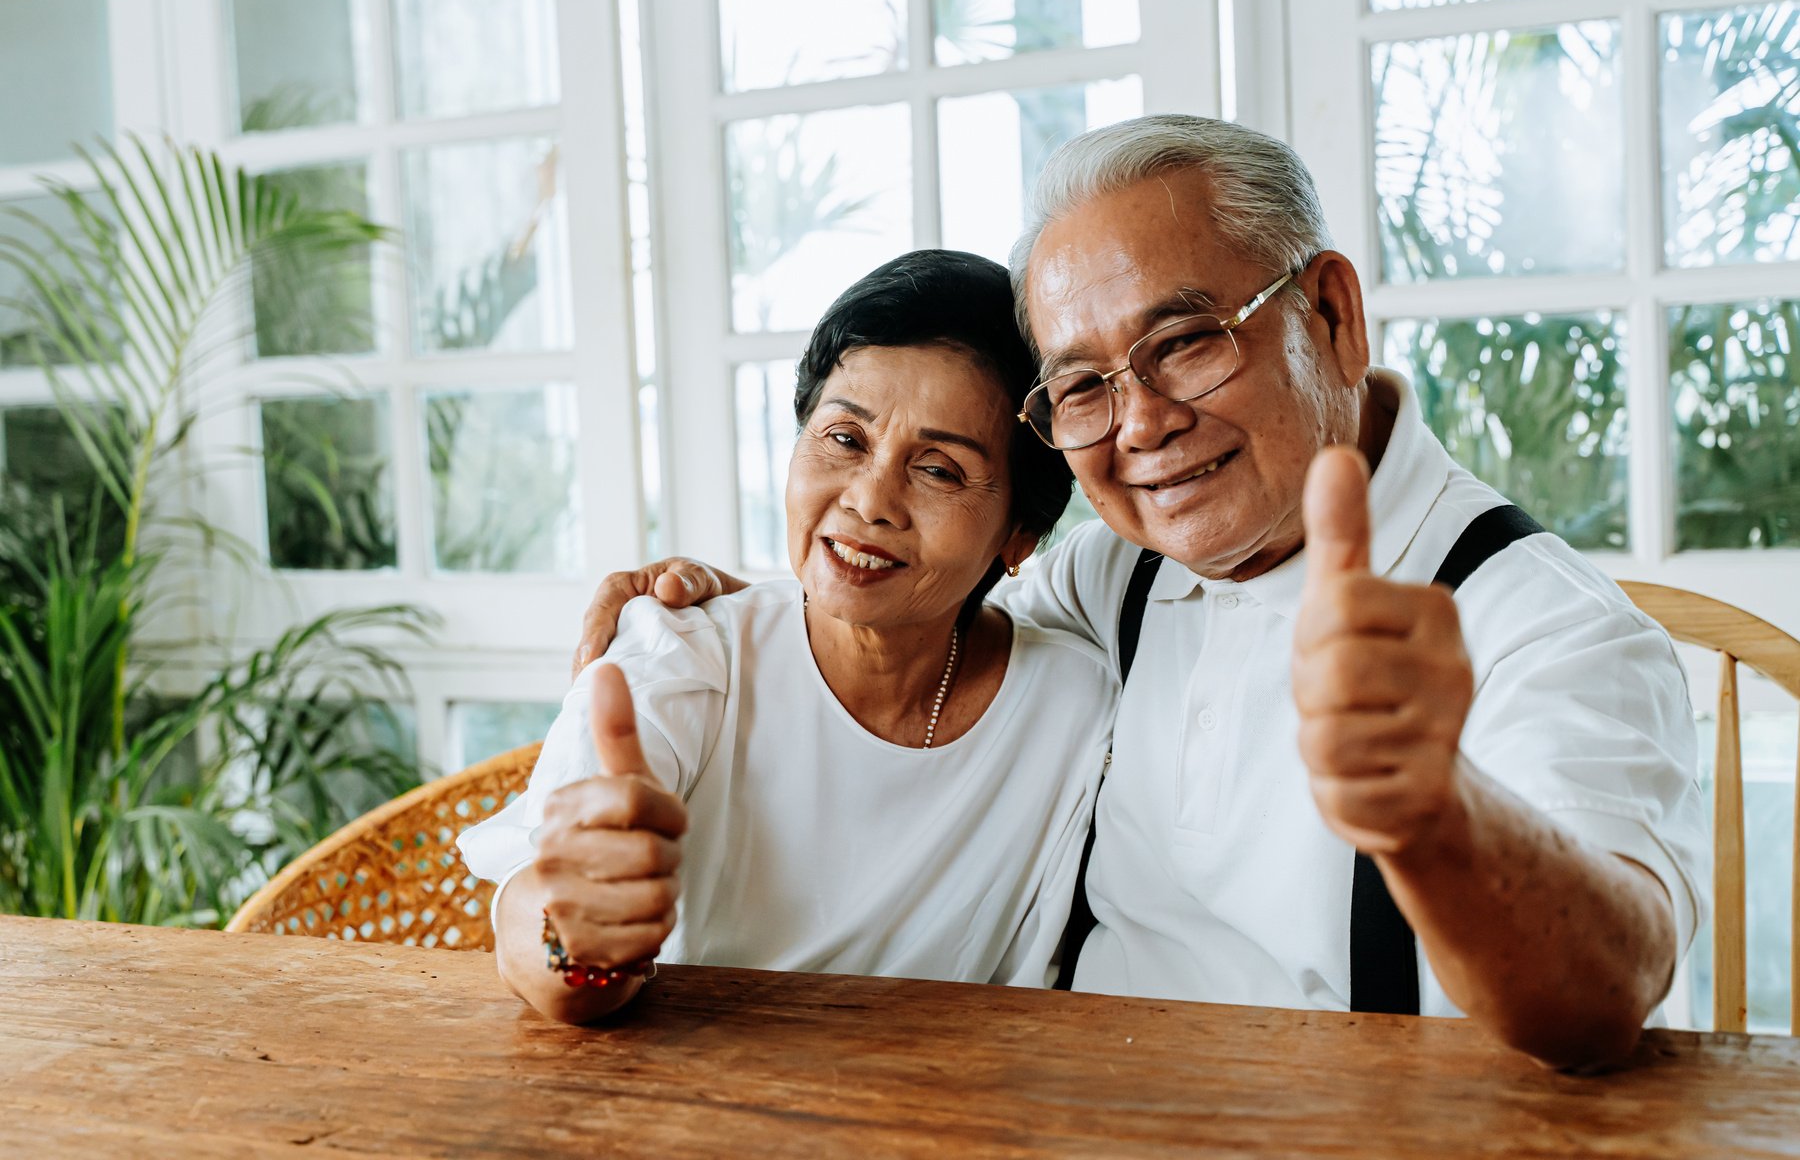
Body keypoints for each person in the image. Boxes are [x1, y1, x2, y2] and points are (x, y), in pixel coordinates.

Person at [571, 115, 1707, 1068]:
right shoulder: (1117, 570)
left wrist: (1434, 811)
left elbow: (1611, 990)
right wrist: (736, 617)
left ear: (1332, 314)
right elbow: (928, 566)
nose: (1144, 425)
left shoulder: (1546, 629)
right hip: (1047, 1112)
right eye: (1082, 386)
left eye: (1186, 341)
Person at [459, 250, 1116, 1025]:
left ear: (1021, 536)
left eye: (938, 470)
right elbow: (540, 927)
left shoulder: (1076, 703)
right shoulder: (681, 655)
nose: (870, 500)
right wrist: (578, 937)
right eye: (844, 439)